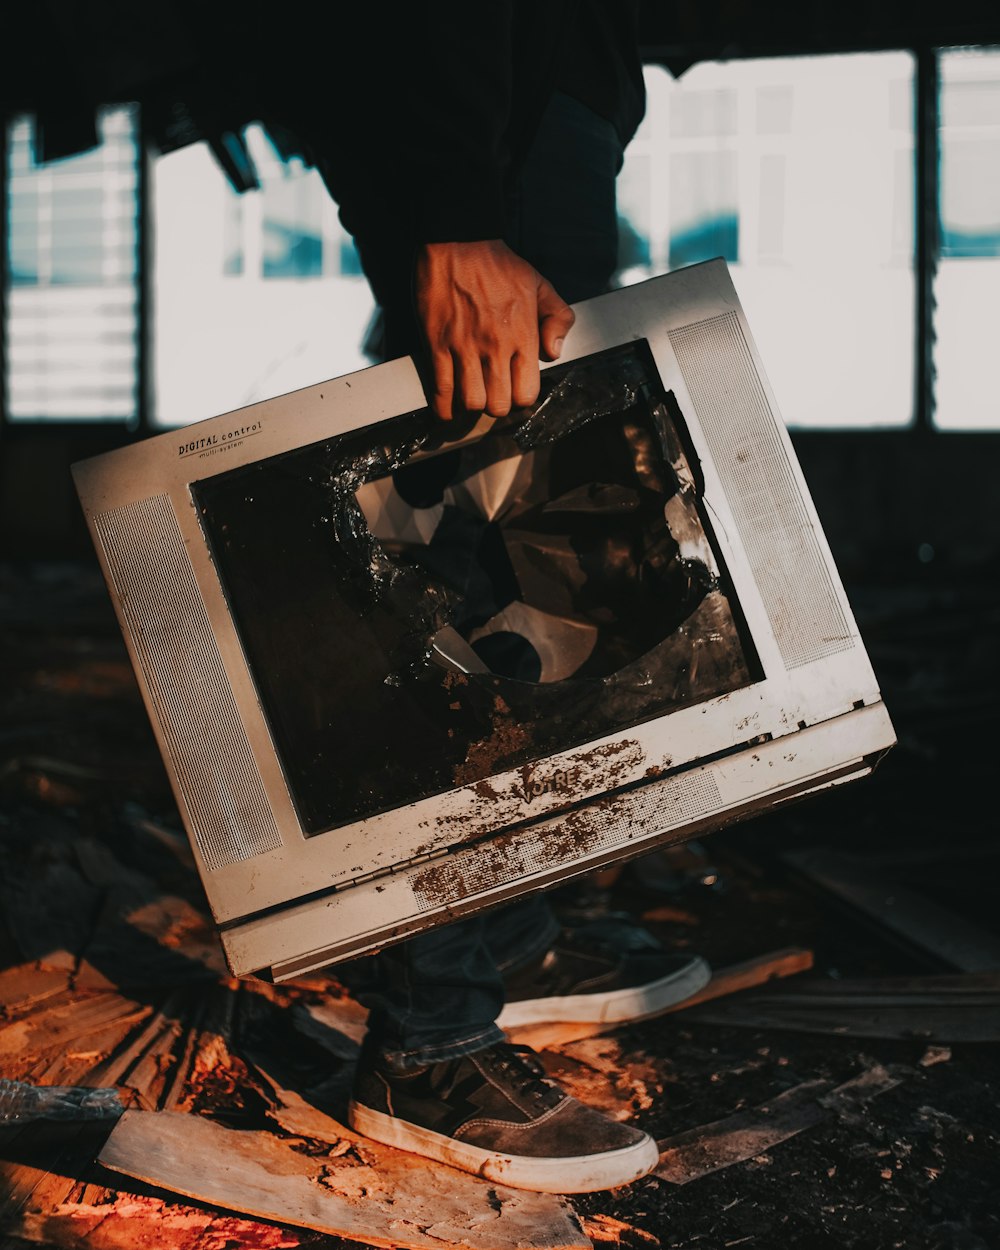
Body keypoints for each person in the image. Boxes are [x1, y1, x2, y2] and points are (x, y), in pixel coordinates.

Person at [268, 1, 712, 1194]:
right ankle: (432, 1038)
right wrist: (453, 214)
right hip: (487, 94)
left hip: (534, 89)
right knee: (457, 585)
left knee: (528, 557)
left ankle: (506, 942)